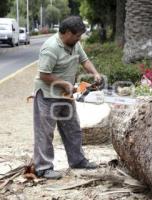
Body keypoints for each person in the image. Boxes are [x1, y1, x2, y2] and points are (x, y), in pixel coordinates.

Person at [33, 16, 101, 179]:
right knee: (45, 132)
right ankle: (43, 168)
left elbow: (84, 61)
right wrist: (64, 84)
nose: (79, 38)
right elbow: (44, 75)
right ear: (68, 33)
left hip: (66, 95)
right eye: (77, 35)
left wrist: (95, 73)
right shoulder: (50, 48)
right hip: (48, 96)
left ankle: (77, 160)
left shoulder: (74, 44)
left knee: (73, 129)